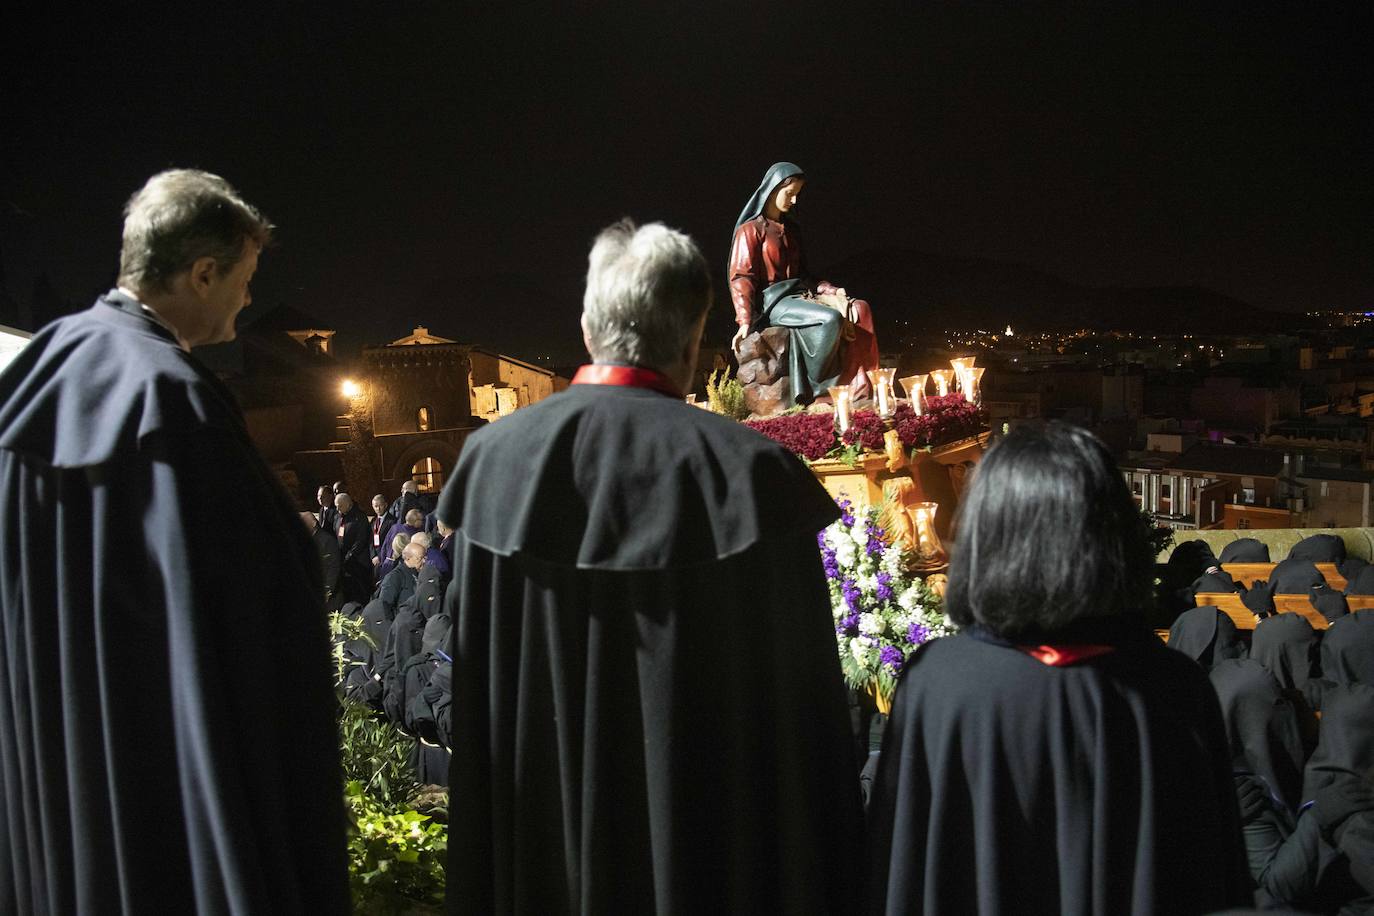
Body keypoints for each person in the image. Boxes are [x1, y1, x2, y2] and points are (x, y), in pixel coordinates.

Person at [438, 218, 863, 913]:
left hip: (550, 866)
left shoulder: (494, 467)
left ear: (586, 328)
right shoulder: (755, 478)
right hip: (715, 869)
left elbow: (488, 715)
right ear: (695, 340)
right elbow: (802, 738)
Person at [0, 169, 347, 911]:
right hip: (156, 760)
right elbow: (246, 609)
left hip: (61, 748)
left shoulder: (46, 363)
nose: (249, 300)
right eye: (246, 279)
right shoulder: (172, 400)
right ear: (203, 273)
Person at [866, 422, 1249, 915]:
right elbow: (1206, 876)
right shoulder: (1174, 687)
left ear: (986, 534)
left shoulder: (938, 684)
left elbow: (903, 873)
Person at [728, 161, 878, 404]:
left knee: (860, 309)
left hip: (801, 294)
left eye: (797, 195)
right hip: (775, 302)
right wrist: (744, 320)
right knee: (830, 319)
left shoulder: (791, 230)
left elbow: (806, 275)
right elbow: (741, 277)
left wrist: (831, 290)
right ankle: (824, 393)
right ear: (773, 190)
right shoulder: (751, 230)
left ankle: (863, 387)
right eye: (790, 194)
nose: (794, 201)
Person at [334, 491, 371, 604]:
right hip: (343, 561)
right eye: (336, 506)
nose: (337, 509)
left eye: (340, 506)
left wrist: (349, 556)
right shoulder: (338, 517)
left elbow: (361, 540)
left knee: (360, 590)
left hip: (358, 561)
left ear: (348, 504)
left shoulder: (359, 517)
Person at [301, 510, 343, 608]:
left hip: (328, 597)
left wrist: (327, 591)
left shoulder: (327, 540)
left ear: (314, 523)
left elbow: (333, 567)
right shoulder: (305, 540)